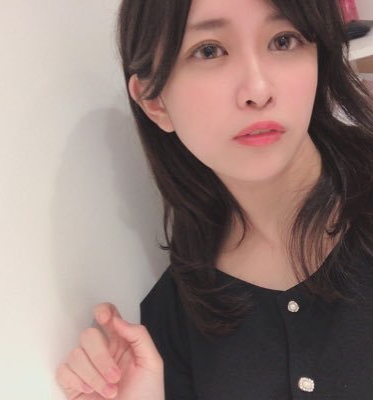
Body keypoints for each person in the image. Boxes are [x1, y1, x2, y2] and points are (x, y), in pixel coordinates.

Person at [55, 0, 373, 398]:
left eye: (284, 40)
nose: (258, 90)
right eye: (209, 51)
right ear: (154, 101)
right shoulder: (174, 316)